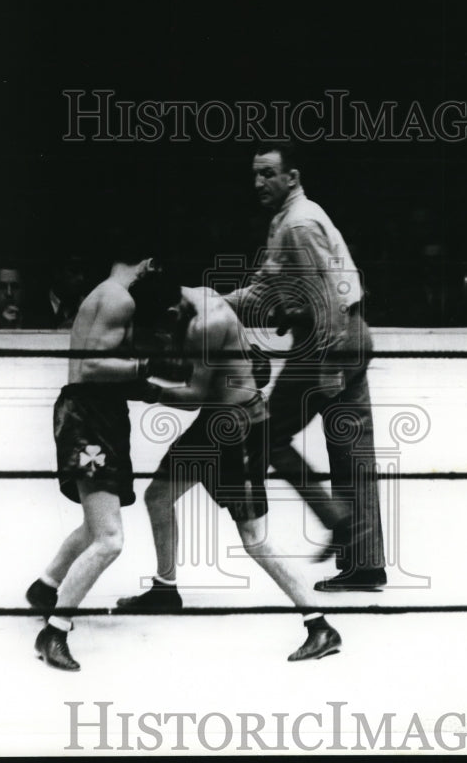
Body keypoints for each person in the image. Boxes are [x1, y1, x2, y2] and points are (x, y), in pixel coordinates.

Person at [115, 270, 342, 662]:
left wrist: (145, 388)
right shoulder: (194, 295)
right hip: (214, 424)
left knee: (253, 538)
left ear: (171, 312)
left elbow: (194, 394)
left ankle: (320, 625)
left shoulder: (207, 323)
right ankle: (165, 589)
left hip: (240, 430)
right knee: (158, 497)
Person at [223, 141, 386, 592]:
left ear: (291, 177)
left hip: (327, 342)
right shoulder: (287, 220)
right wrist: (214, 304)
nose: (259, 182)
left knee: (269, 432)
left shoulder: (296, 224)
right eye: (255, 174)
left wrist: (329, 366)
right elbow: (261, 291)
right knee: (353, 450)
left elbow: (328, 296)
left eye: (268, 173)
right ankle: (365, 562)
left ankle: (338, 520)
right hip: (344, 337)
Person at [24, 242, 175, 671]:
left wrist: (157, 391)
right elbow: (92, 368)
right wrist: (149, 365)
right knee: (110, 540)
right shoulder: (119, 298)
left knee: (95, 526)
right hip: (88, 421)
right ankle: (55, 630)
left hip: (93, 417)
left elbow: (99, 373)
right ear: (147, 261)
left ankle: (46, 586)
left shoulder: (101, 294)